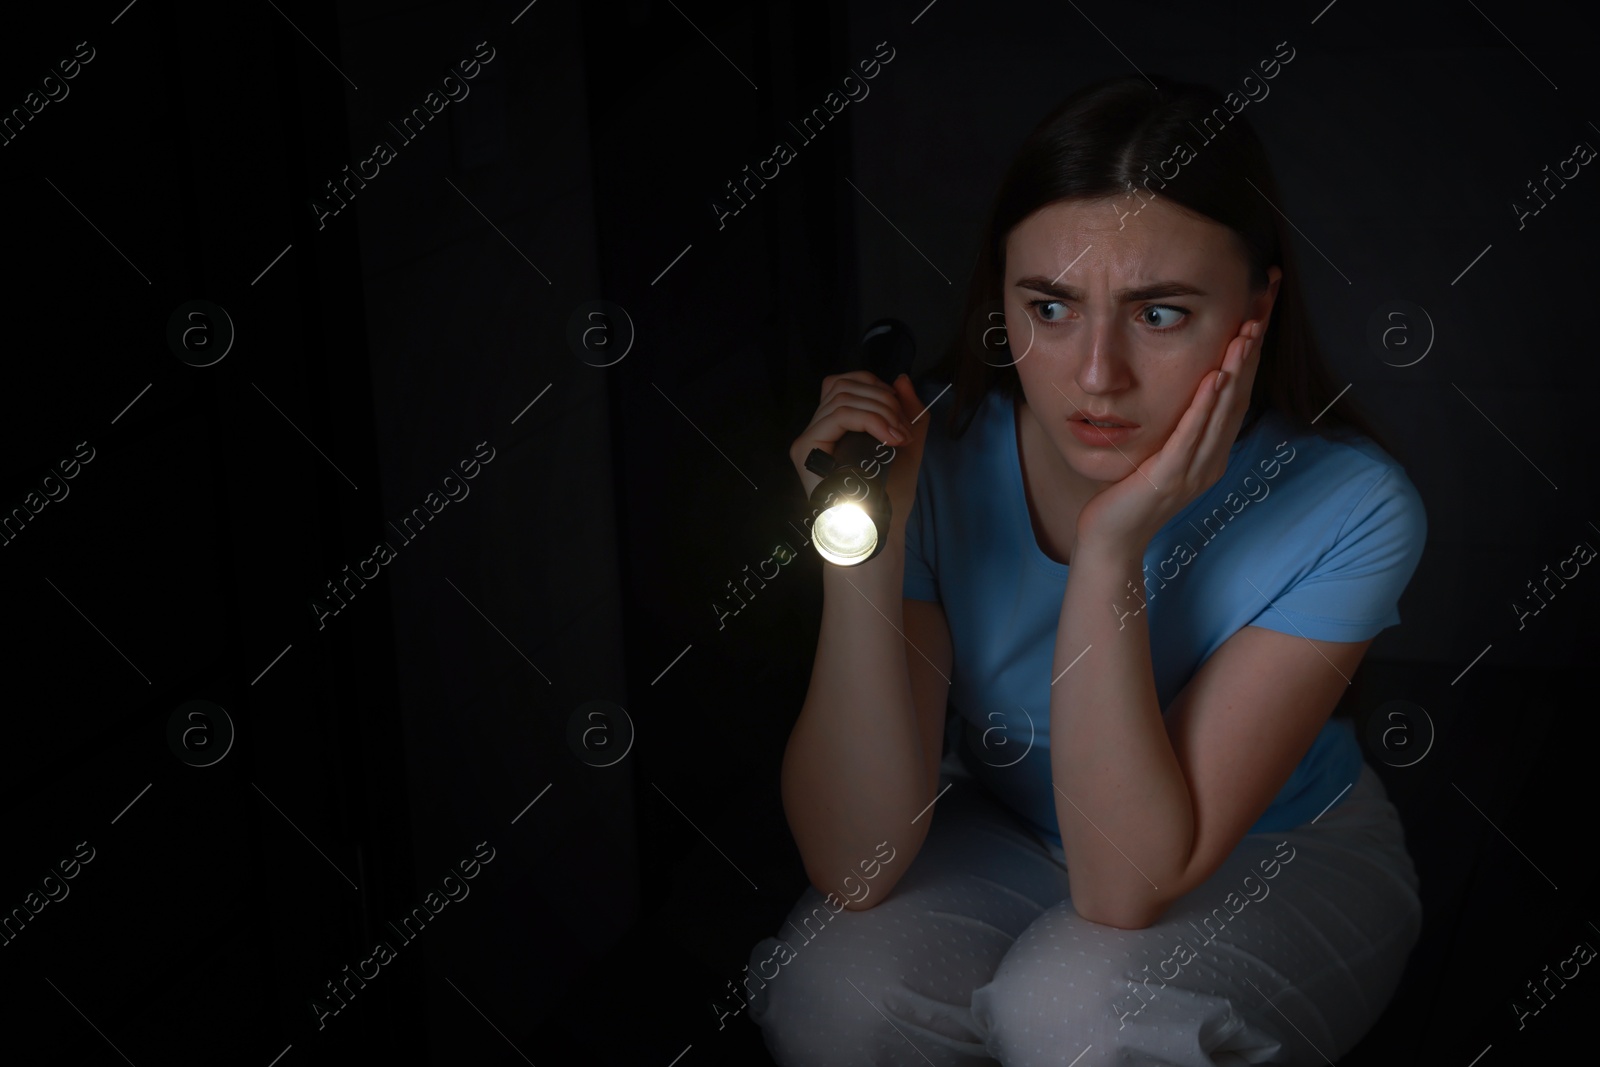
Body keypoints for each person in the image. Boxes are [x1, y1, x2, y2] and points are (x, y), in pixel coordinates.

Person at [742, 74, 1427, 1066]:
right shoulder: (935, 457)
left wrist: (1113, 545)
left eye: (1158, 314)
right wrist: (868, 551)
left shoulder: (1349, 503)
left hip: (1272, 849)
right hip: (1014, 826)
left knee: (1079, 1016)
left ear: (1256, 305)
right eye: (1051, 306)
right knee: (830, 992)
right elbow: (857, 862)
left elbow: (1123, 882)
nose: (1096, 374)